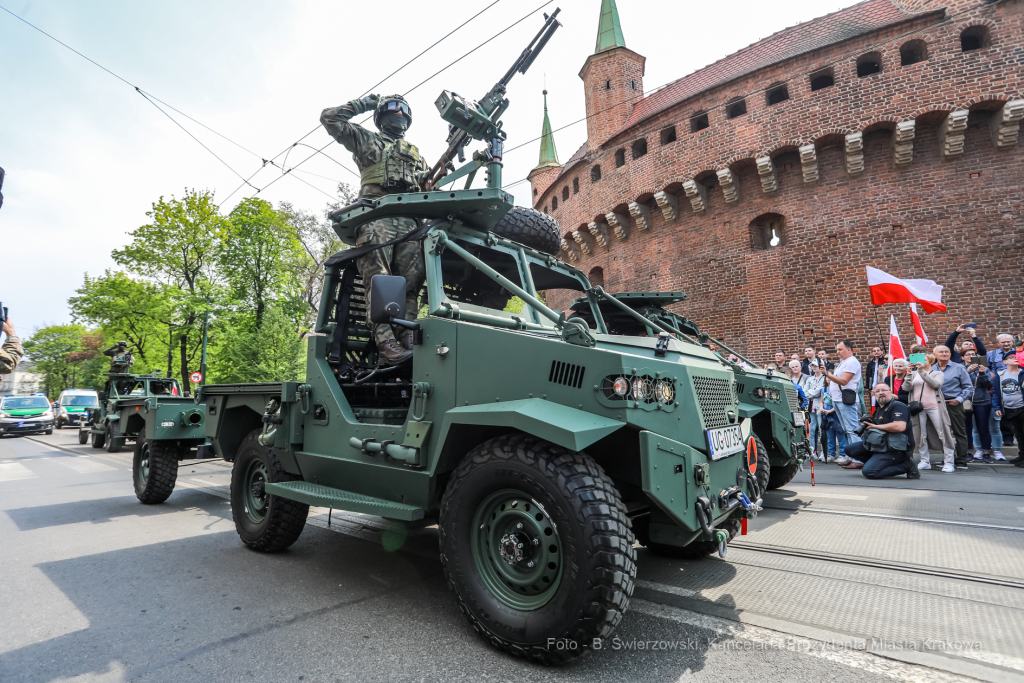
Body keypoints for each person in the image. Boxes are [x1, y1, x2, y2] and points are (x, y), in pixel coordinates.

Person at [321, 93, 429, 365]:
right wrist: (365, 104)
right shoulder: (366, 139)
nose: (400, 114)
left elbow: (430, 188)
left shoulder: (417, 154)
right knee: (379, 283)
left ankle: (407, 338)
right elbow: (330, 118)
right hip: (376, 218)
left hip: (410, 225)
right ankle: (386, 344)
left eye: (404, 109)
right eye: (394, 108)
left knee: (411, 286)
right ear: (381, 115)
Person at [843, 382, 917, 479]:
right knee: (850, 449)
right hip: (882, 445)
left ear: (890, 392)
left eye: (884, 390)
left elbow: (900, 426)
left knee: (869, 472)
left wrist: (875, 426)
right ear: (874, 394)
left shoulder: (898, 406)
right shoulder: (879, 409)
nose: (881, 393)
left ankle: (906, 465)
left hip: (897, 449)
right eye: (877, 391)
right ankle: (877, 462)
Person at [909, 353, 957, 472]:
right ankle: (924, 461)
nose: (921, 361)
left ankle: (949, 462)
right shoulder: (913, 373)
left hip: (935, 407)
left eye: (924, 359)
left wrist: (922, 371)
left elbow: (936, 384)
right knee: (920, 434)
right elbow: (906, 388)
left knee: (943, 433)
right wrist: (909, 373)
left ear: (930, 362)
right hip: (918, 408)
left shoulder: (937, 373)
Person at [825, 339, 863, 467]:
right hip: (838, 400)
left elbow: (844, 381)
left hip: (845, 401)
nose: (837, 352)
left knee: (852, 430)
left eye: (840, 349)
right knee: (847, 430)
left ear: (849, 349)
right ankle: (852, 456)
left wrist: (828, 375)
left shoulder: (852, 362)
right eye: (837, 349)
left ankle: (858, 459)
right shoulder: (844, 362)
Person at [934, 344, 973, 468]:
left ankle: (961, 460)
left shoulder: (959, 368)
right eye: (941, 352)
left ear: (950, 355)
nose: (944, 354)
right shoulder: (931, 368)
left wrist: (959, 400)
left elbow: (968, 387)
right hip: (936, 405)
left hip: (953, 404)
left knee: (959, 432)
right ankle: (948, 459)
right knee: (942, 433)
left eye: (947, 352)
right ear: (935, 355)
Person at [962, 349, 995, 463]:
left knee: (983, 427)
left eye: (973, 354)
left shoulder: (984, 368)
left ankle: (986, 452)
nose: (971, 356)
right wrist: (968, 371)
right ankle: (968, 452)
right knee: (966, 428)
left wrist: (981, 373)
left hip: (982, 401)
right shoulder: (961, 368)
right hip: (965, 401)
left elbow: (988, 385)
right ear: (963, 357)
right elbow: (958, 383)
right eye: (968, 354)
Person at [985, 334, 1014, 460]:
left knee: (1012, 412)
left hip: (1014, 385)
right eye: (1003, 342)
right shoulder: (991, 354)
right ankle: (1003, 437)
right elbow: (986, 367)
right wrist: (990, 374)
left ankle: (1008, 438)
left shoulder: (1019, 353)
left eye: (1008, 342)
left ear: (1012, 342)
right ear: (998, 343)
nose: (1006, 344)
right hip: (997, 385)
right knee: (999, 411)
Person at [993, 352, 1024, 466]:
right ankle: (1022, 456)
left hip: (1022, 407)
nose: (1015, 358)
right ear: (1004, 362)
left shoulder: (1022, 373)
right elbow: (996, 392)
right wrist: (997, 407)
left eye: (1017, 357)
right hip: (1009, 409)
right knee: (1019, 434)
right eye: (1011, 357)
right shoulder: (1000, 375)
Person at [805, 360, 827, 459]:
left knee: (822, 431)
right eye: (813, 365)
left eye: (816, 365)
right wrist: (812, 393)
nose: (814, 367)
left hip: (820, 407)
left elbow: (819, 391)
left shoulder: (824, 377)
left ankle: (823, 452)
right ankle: (812, 451)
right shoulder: (810, 379)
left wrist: (811, 393)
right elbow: (804, 392)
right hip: (811, 407)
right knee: (811, 430)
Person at [865, 346, 887, 415]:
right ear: (872, 353)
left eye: (878, 350)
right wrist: (868, 387)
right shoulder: (870, 363)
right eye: (874, 351)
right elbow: (868, 375)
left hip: (881, 384)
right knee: (874, 403)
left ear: (882, 352)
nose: (876, 352)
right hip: (873, 385)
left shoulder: (884, 361)